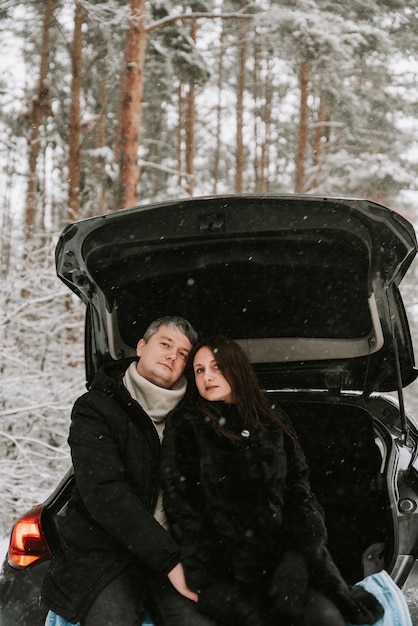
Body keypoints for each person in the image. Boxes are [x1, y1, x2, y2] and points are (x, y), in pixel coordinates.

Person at [161, 335, 385, 626]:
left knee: (326, 618)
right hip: (226, 570)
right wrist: (214, 573)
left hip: (283, 558)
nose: (207, 376)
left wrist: (299, 556)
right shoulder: (185, 425)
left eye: (217, 366)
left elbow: (300, 493)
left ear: (236, 368)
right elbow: (182, 508)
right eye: (200, 370)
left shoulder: (270, 417)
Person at [42, 316, 217, 626]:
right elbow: (106, 493)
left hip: (174, 552)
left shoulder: (196, 415)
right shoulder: (97, 407)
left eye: (182, 354)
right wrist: (171, 561)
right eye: (165, 344)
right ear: (141, 346)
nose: (172, 356)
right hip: (108, 554)